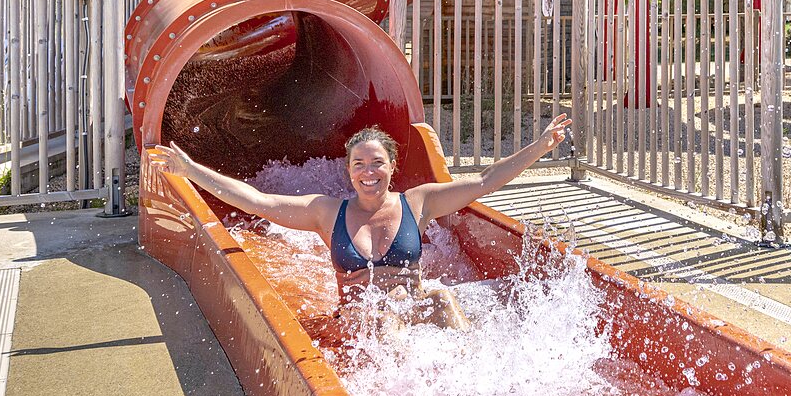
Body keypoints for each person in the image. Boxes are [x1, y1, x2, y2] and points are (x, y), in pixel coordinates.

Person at [147, 112, 572, 331]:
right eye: (359, 164)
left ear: (392, 167)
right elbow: (257, 201)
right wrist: (193, 171)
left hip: (411, 305)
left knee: (443, 300)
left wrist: (539, 145)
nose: (369, 172)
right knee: (383, 320)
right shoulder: (326, 212)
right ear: (349, 171)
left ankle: (474, 385)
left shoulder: (417, 203)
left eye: (377, 163)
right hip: (360, 321)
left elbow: (483, 180)